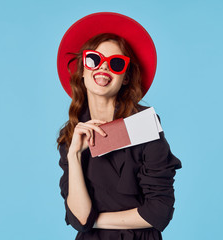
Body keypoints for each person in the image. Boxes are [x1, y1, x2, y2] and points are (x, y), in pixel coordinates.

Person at [56, 12, 182, 240]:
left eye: (115, 63)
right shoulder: (72, 136)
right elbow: (78, 218)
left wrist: (94, 220)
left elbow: (159, 212)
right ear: (82, 70)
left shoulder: (144, 126)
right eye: (94, 60)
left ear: (125, 77)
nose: (103, 68)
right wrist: (74, 155)